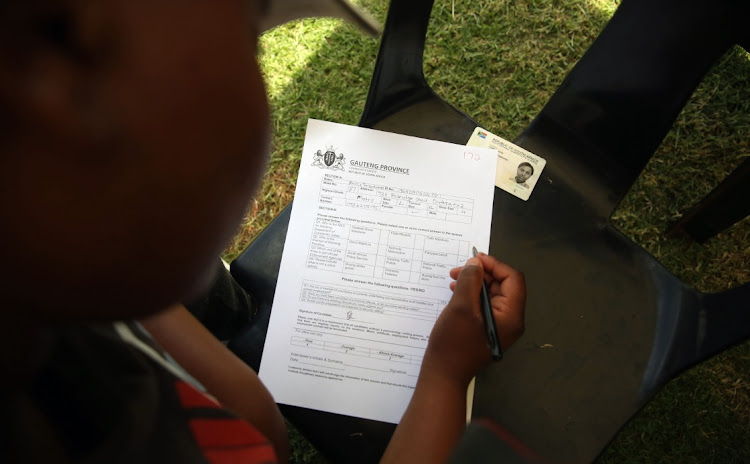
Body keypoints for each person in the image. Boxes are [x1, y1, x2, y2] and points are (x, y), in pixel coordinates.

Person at [0, 1, 526, 463]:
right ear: (53, 81)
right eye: (250, 33)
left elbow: (251, 425)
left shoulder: (64, 288)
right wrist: (445, 373)